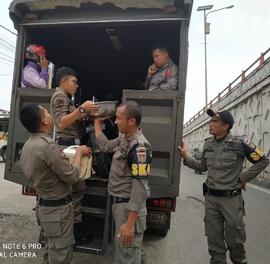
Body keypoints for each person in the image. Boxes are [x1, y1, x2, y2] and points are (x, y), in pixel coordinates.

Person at [178, 108, 269, 264]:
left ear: (225, 126)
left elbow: (263, 161)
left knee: (235, 243)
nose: (210, 124)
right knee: (215, 245)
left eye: (215, 121)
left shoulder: (240, 144)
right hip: (211, 200)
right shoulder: (208, 145)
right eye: (210, 121)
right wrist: (186, 157)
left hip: (231, 201)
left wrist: (243, 178)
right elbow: (202, 167)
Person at [19, 103, 91, 264]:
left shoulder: (28, 145)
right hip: (57, 212)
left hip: (45, 207)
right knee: (61, 254)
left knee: (52, 249)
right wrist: (79, 153)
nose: (50, 114)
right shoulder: (48, 146)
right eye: (46, 111)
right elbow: (73, 176)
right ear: (44, 119)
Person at [94, 100, 152, 264]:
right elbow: (105, 146)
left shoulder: (139, 147)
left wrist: (129, 223)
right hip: (120, 205)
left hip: (128, 209)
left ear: (132, 121)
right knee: (127, 252)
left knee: (126, 257)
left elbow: (140, 188)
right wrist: (97, 124)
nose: (116, 121)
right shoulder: (124, 138)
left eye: (119, 118)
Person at [50, 66, 99, 244]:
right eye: (74, 82)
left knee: (76, 190)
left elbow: (71, 118)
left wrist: (85, 113)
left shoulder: (66, 97)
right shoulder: (59, 96)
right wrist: (81, 110)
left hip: (72, 147)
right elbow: (61, 123)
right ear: (63, 81)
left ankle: (71, 231)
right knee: (75, 190)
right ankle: (74, 234)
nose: (76, 85)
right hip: (68, 148)